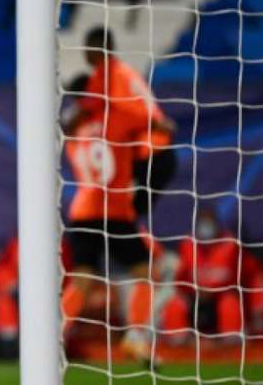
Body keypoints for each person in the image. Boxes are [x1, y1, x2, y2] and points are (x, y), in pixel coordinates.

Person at [61, 30, 174, 362]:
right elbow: (146, 121)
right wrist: (162, 125)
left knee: (82, 278)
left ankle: (54, 334)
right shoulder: (117, 120)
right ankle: (135, 337)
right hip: (116, 209)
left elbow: (74, 122)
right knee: (144, 271)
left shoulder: (72, 135)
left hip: (82, 210)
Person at [161, 209, 263, 344]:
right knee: (174, 305)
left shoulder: (231, 245)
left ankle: (232, 345)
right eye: (202, 222)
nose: (205, 226)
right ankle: (178, 348)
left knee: (229, 304)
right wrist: (193, 292)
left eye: (209, 222)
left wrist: (256, 305)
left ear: (217, 224)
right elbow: (180, 280)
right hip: (195, 298)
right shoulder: (187, 245)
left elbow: (251, 274)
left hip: (223, 297)